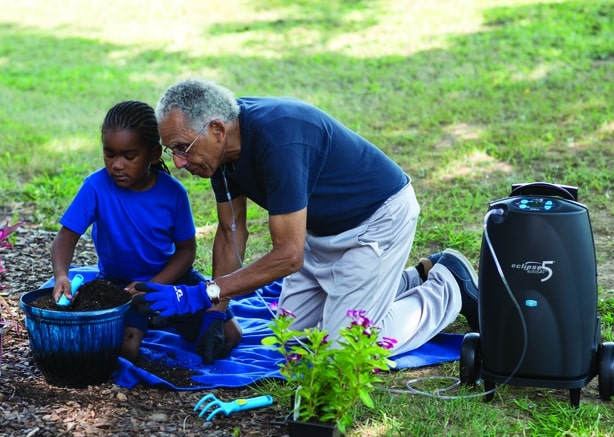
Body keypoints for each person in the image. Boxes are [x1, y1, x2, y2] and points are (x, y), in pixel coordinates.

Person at [137, 79, 479, 356]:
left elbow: (288, 256)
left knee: (343, 350)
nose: (178, 162)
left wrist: (204, 294)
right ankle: (413, 278)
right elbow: (231, 232)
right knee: (292, 339)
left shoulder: (278, 142)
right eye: (172, 150)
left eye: (182, 148)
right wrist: (216, 312)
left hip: (376, 222)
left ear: (216, 130)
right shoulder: (220, 152)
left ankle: (447, 286)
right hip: (319, 231)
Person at [51, 100, 242, 363]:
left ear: (153, 154)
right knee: (127, 349)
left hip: (172, 280)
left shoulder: (173, 193)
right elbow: (66, 237)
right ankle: (155, 318)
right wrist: (61, 274)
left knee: (230, 335)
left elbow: (186, 251)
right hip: (120, 285)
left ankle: (166, 316)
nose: (117, 165)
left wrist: (155, 286)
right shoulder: (95, 187)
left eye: (129, 156)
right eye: (109, 154)